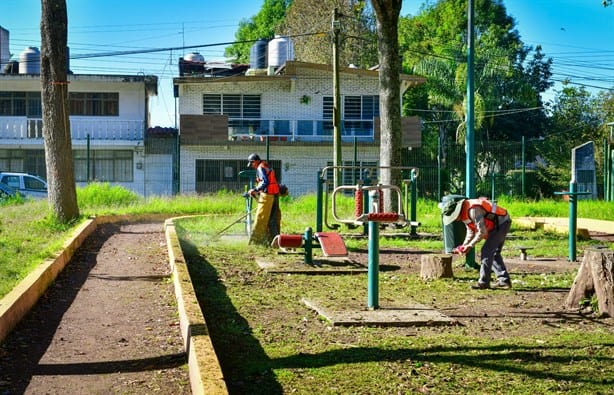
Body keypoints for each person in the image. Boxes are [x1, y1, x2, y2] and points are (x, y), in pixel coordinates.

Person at [441, 197, 512, 289]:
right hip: (495, 225)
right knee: (493, 253)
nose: (455, 219)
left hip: (502, 223)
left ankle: (484, 283)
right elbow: (471, 231)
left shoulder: (473, 210)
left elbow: (482, 232)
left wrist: (470, 245)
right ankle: (504, 281)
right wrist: (464, 245)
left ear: (457, 211)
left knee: (487, 251)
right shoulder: (464, 213)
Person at [246, 153, 281, 246]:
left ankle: (257, 241)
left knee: (261, 218)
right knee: (273, 219)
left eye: (252, 163)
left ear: (256, 161)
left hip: (268, 196)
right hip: (275, 194)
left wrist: (255, 190)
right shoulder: (266, 165)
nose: (252, 165)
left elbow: (265, 181)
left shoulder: (260, 168)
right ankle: (274, 241)